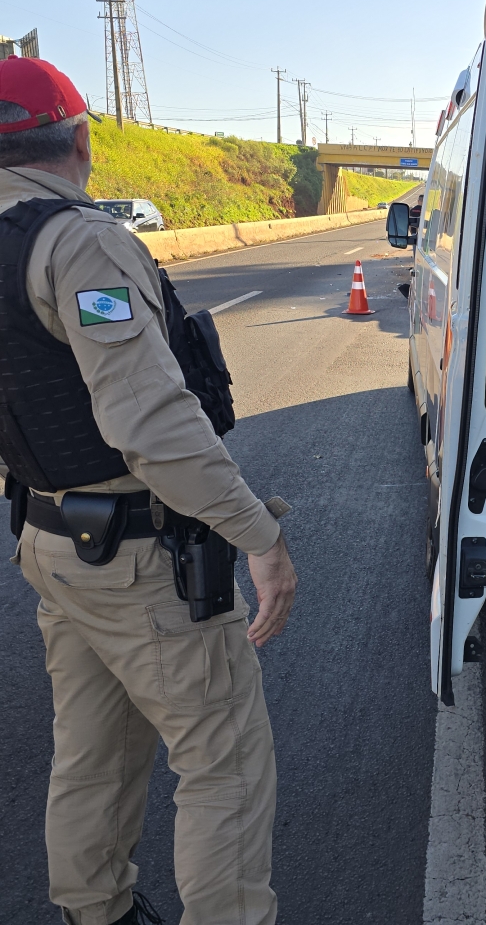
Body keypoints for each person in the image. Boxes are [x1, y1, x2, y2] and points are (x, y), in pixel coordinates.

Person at [0, 55, 297, 924]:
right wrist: (260, 538)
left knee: (93, 752)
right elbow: (154, 428)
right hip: (136, 556)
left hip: (52, 544)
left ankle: (96, 912)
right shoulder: (81, 242)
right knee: (225, 761)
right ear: (82, 141)